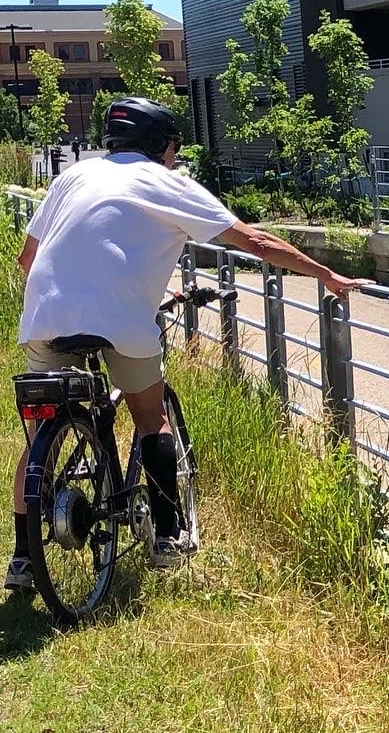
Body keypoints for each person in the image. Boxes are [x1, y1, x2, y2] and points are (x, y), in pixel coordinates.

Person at [7, 95, 365, 591]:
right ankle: (166, 538)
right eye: (174, 147)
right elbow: (254, 242)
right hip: (122, 322)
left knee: (40, 434)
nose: (176, 157)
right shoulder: (167, 182)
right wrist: (325, 274)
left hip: (44, 316)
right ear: (161, 145)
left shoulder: (72, 177)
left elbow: (29, 258)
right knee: (151, 418)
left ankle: (24, 559)